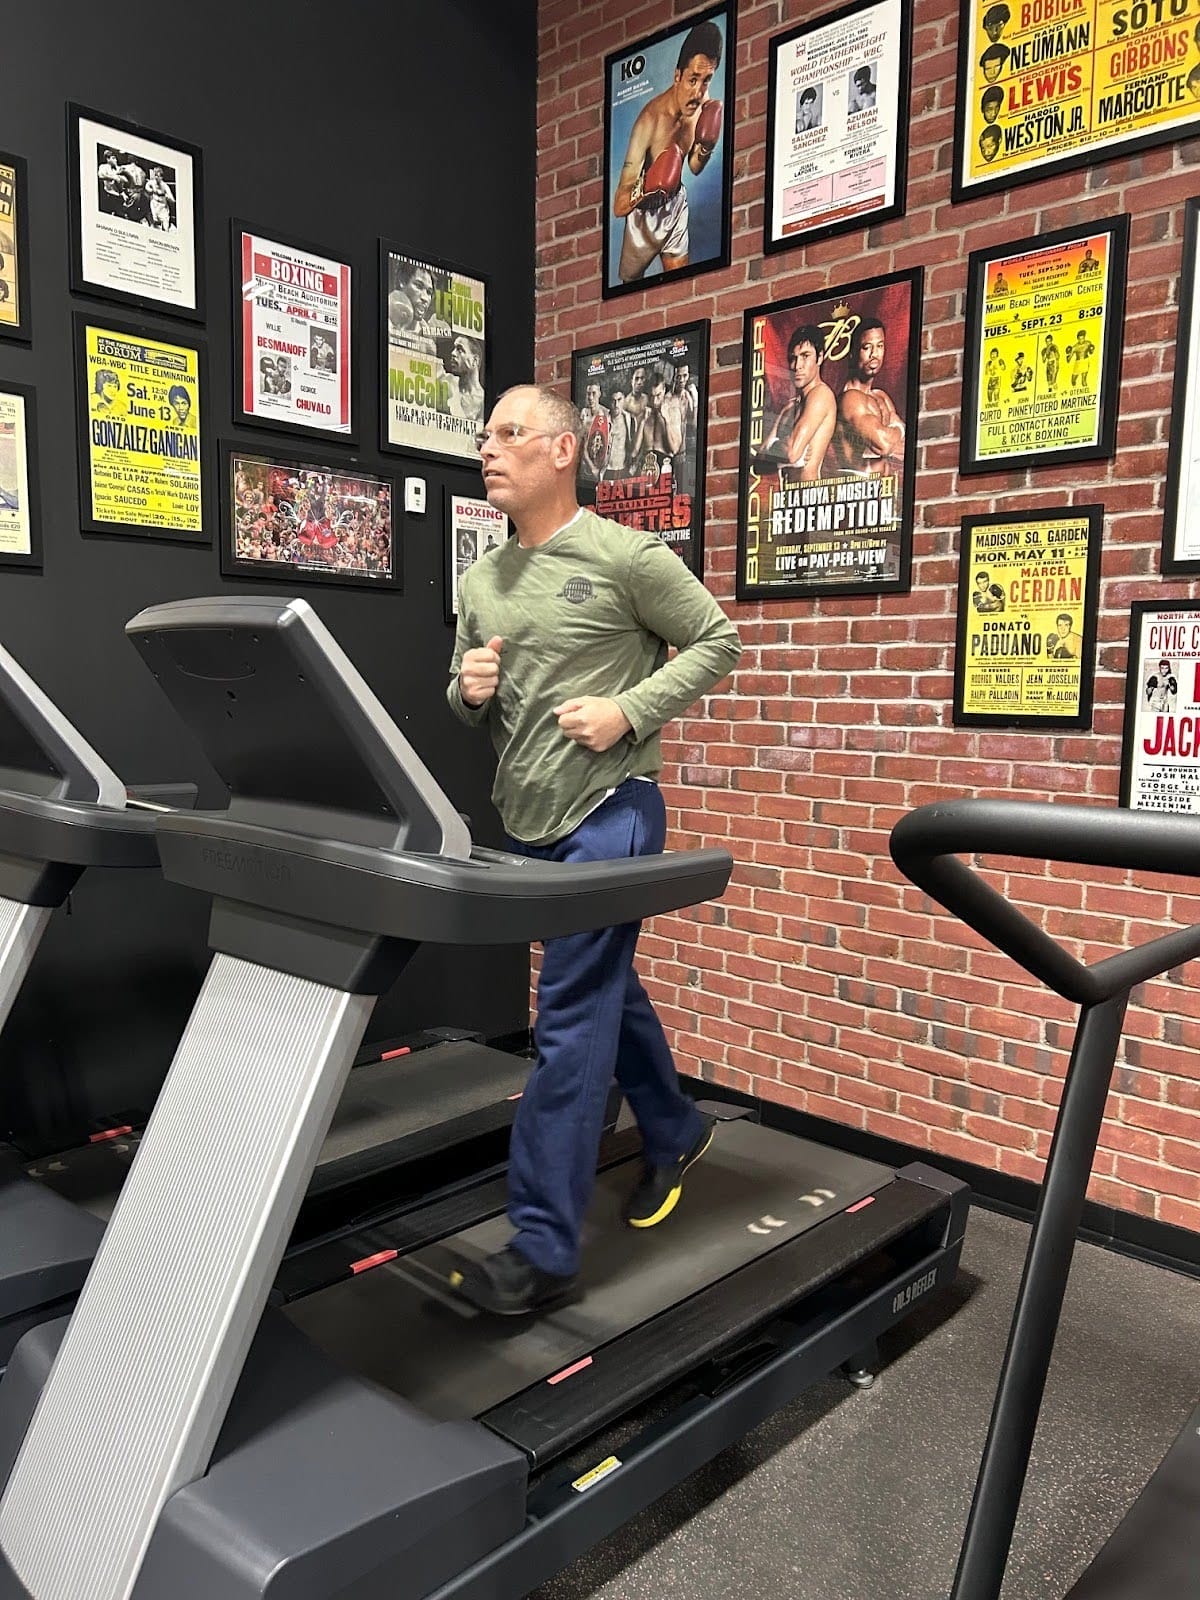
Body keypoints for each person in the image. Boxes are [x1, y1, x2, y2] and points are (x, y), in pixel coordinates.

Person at [446, 384, 742, 1315]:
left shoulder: (625, 556)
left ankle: (541, 1247)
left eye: (509, 434)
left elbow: (717, 640)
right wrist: (467, 687)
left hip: (615, 806)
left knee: (568, 1016)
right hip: (529, 815)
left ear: (564, 450)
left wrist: (630, 710)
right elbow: (461, 693)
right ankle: (674, 1123)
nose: (488, 450)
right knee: (605, 981)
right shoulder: (481, 578)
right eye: (485, 436)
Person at [612, 19, 724, 282]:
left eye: (706, 81)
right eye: (693, 79)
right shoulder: (648, 122)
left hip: (675, 205)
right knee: (630, 287)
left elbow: (694, 167)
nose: (698, 92)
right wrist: (649, 184)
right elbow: (618, 205)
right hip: (642, 216)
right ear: (677, 76)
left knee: (681, 286)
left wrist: (706, 145)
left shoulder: (703, 110)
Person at [758, 324, 836, 480]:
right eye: (793, 358)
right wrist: (782, 450)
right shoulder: (790, 407)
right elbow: (758, 464)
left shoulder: (820, 395)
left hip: (810, 499)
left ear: (820, 357)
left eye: (805, 356)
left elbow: (792, 453)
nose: (797, 366)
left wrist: (774, 447)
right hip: (788, 499)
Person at [832, 317, 905, 474]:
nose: (874, 354)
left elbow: (905, 449)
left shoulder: (881, 397)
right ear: (853, 353)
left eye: (880, 346)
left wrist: (892, 438)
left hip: (884, 492)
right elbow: (884, 444)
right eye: (866, 347)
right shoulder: (850, 399)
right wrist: (899, 428)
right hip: (859, 489)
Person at [446, 334, 485, 422]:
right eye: (454, 348)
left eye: (460, 350)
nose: (453, 353)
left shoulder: (483, 400)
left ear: (474, 361)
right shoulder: (447, 384)